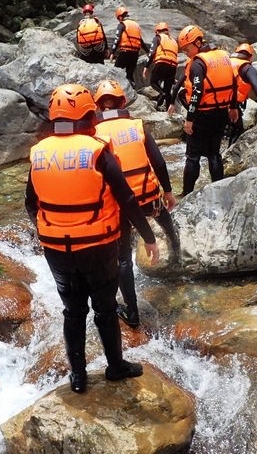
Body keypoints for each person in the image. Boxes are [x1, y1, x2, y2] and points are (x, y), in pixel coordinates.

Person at [25, 83, 160, 393]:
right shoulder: (98, 150)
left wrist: (50, 229)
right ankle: (115, 367)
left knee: (73, 311)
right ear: (87, 115)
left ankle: (78, 376)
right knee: (105, 309)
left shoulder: (39, 154)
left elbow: (31, 203)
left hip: (57, 250)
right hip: (98, 247)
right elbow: (126, 199)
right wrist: (148, 236)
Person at [93, 79, 178, 328]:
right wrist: (169, 191)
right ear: (122, 102)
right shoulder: (137, 126)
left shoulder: (94, 135)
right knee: (164, 218)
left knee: (123, 259)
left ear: (98, 107)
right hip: (148, 197)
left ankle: (132, 312)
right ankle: (176, 248)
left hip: (119, 207)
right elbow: (159, 162)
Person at [167, 25, 239, 196]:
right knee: (214, 154)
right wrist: (234, 106)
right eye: (183, 50)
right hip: (221, 112)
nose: (186, 53)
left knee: (193, 156)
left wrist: (189, 118)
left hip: (202, 115)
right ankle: (221, 190)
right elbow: (234, 81)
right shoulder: (223, 56)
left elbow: (197, 91)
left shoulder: (198, 63)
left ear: (198, 42)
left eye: (188, 49)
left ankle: (186, 194)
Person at [228, 42, 257, 145]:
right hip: (232, 105)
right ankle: (227, 157)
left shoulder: (227, 62)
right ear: (251, 57)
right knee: (237, 131)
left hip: (214, 102)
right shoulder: (247, 68)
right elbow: (256, 85)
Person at [143, 21, 179, 110]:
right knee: (168, 90)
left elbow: (152, 53)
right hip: (173, 66)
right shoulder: (174, 41)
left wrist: (146, 67)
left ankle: (161, 93)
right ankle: (168, 110)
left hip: (161, 63)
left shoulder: (158, 38)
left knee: (153, 82)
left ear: (157, 31)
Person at [109, 6, 149, 87]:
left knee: (116, 71)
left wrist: (112, 53)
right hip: (135, 53)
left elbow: (117, 39)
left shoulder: (122, 24)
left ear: (120, 17)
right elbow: (141, 41)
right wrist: (148, 52)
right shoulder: (136, 25)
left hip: (125, 52)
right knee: (129, 74)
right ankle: (133, 88)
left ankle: (116, 89)